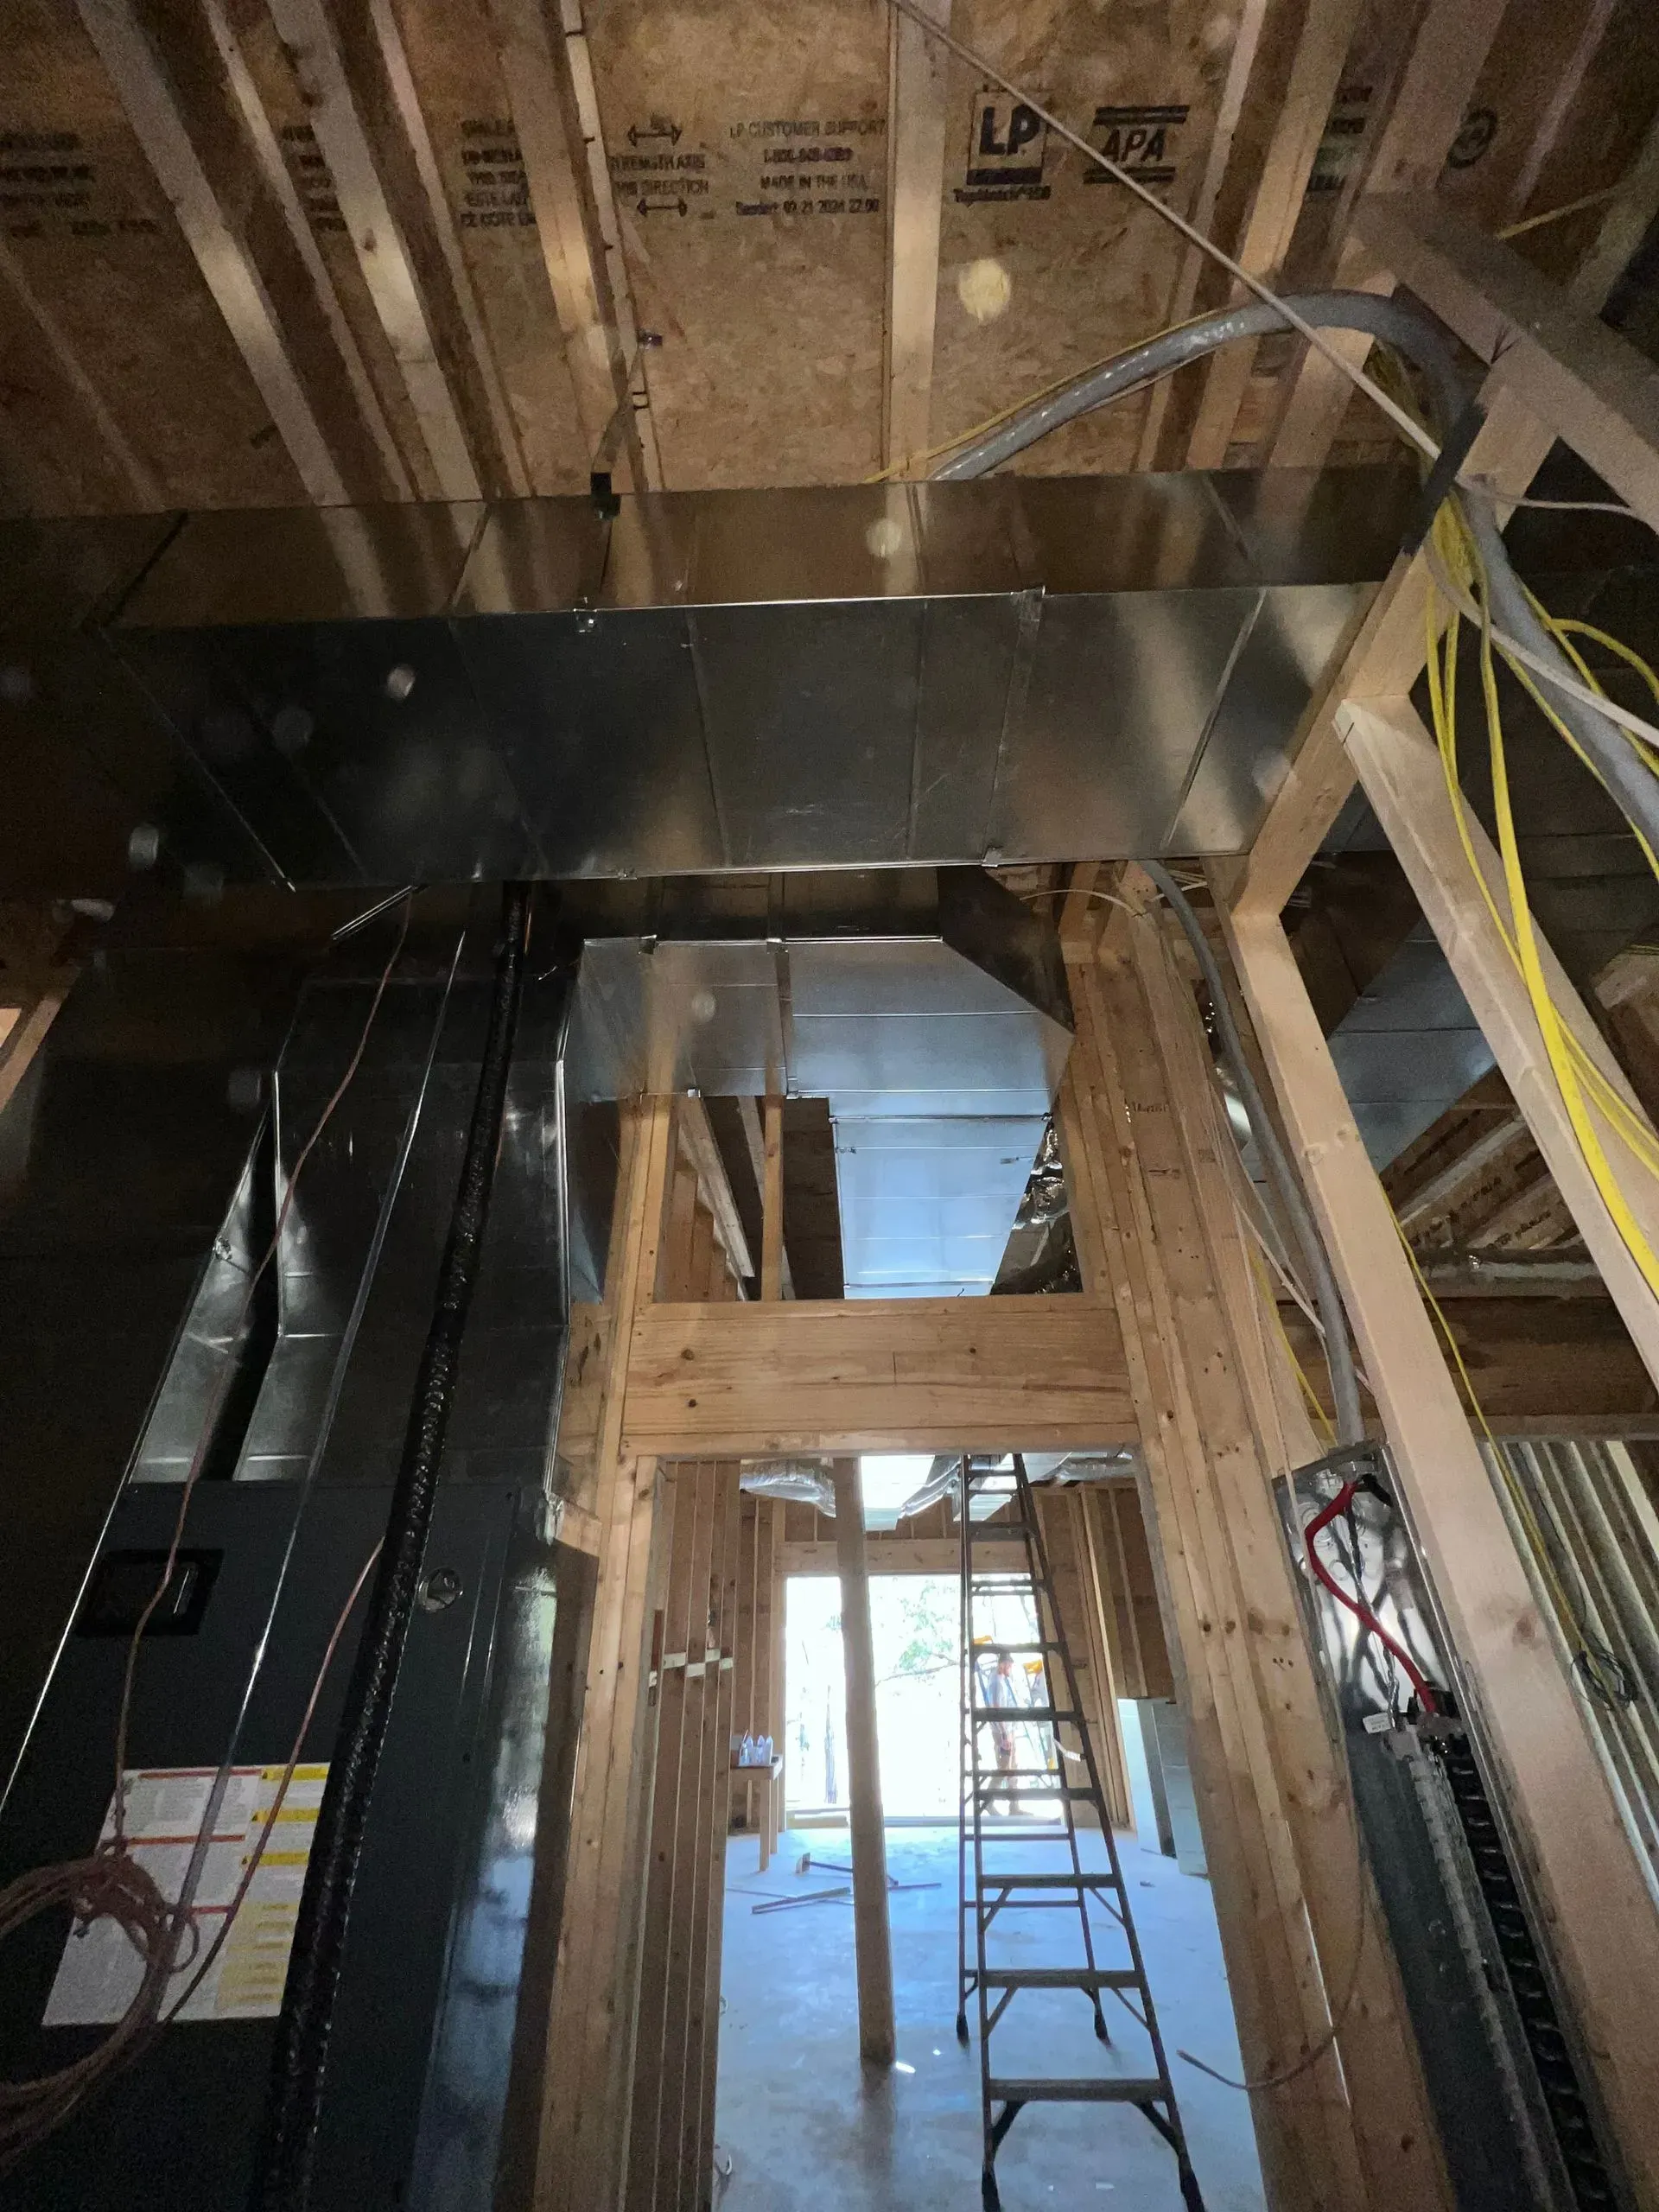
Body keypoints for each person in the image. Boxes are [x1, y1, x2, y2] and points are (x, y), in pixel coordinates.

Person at [987, 1650, 1021, 1814]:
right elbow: (996, 1709)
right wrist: (1004, 1734)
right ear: (1002, 1664)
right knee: (1004, 1767)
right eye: (1008, 1665)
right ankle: (987, 1800)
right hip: (1002, 1731)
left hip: (1009, 1728)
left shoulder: (1001, 1679)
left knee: (1013, 1766)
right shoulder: (996, 1683)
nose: (1010, 1668)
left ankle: (1014, 1806)